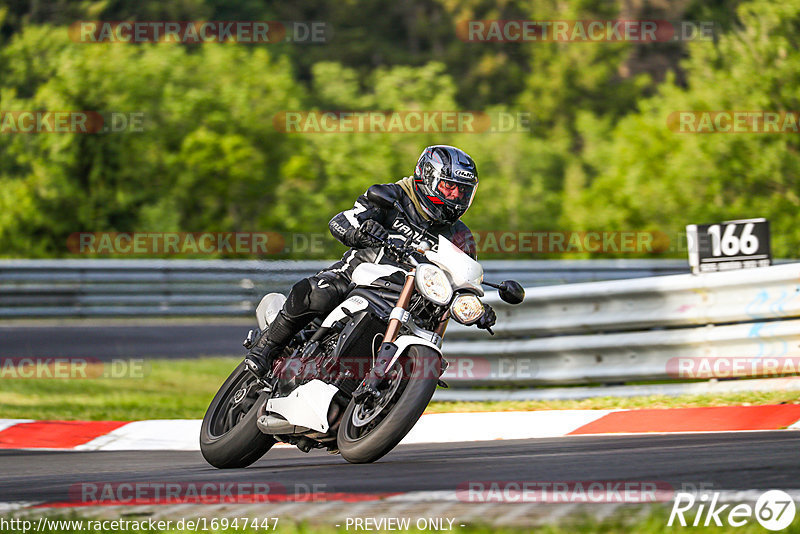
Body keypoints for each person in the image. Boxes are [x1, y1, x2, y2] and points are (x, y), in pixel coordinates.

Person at [244, 145, 496, 378]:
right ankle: (266, 347)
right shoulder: (392, 196)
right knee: (316, 293)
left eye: (461, 190)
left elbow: (463, 277)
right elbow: (343, 220)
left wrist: (475, 308)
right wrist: (359, 232)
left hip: (410, 303)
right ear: (429, 178)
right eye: (448, 187)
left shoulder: (461, 237)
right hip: (359, 276)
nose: (455, 196)